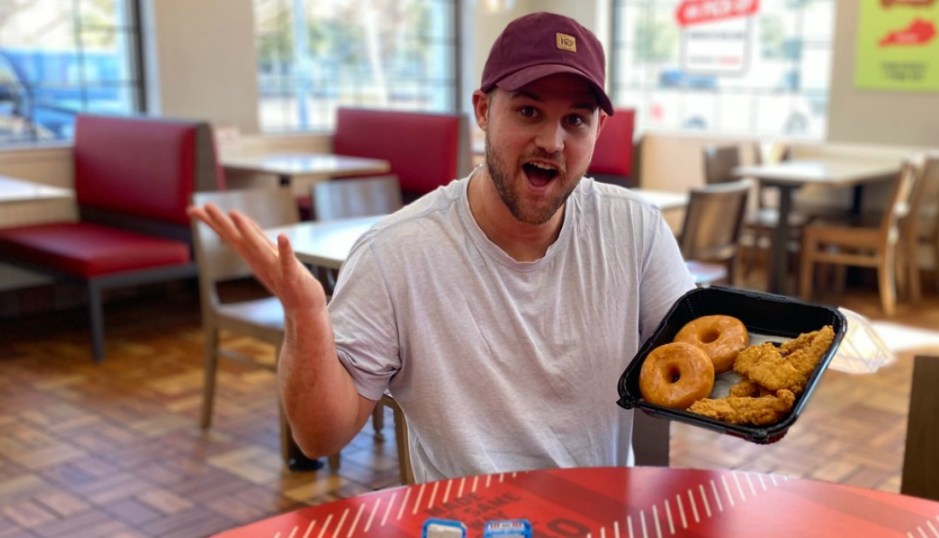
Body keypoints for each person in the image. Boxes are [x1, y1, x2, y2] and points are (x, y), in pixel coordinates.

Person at [189, 11, 695, 482]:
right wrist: (306, 314)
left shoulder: (636, 231)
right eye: (528, 111)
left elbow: (700, 364)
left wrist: (768, 391)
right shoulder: (396, 254)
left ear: (599, 129)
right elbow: (320, 436)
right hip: (461, 520)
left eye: (576, 120)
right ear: (483, 110)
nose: (552, 141)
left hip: (596, 515)